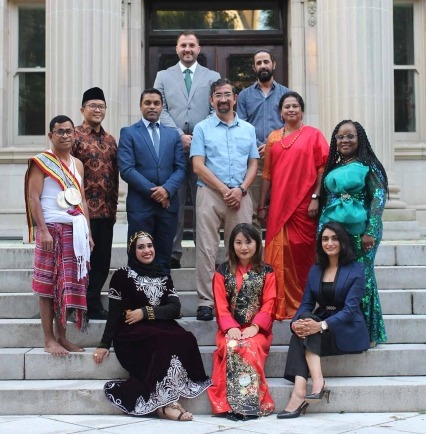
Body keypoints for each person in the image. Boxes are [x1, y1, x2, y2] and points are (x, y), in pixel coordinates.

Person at [93, 231, 211, 420]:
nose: (147, 250)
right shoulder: (122, 276)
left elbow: (174, 308)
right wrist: (104, 344)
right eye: (141, 247)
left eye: (150, 246)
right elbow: (114, 313)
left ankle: (169, 402)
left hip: (161, 324)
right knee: (161, 341)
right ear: (133, 251)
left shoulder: (163, 275)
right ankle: (167, 404)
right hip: (131, 331)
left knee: (185, 338)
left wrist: (145, 312)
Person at [278, 222, 370, 419]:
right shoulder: (315, 270)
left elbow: (350, 310)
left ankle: (304, 391)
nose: (329, 243)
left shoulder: (356, 269)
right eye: (325, 239)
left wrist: (321, 325)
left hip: (347, 328)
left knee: (306, 332)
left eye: (334, 238)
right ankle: (308, 388)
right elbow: (306, 304)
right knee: (303, 325)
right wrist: (296, 323)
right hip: (321, 324)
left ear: (343, 241)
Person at [190, 78, 259, 321]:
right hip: (210, 193)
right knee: (207, 249)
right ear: (212, 100)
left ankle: (239, 298)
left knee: (242, 248)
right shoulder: (201, 128)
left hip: (240, 195)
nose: (223, 99)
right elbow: (198, 166)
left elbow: (253, 163)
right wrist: (223, 189)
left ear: (234, 98)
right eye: (218, 95)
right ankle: (207, 302)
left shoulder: (248, 129)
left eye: (227, 94)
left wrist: (240, 189)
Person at [24, 115, 93, 355]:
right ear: (50, 135)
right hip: (51, 229)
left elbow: (82, 199)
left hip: (75, 230)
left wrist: (89, 233)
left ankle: (62, 337)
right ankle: (48, 339)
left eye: (69, 131)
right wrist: (41, 230)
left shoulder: (78, 164)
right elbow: (34, 198)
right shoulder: (41, 162)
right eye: (60, 131)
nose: (65, 135)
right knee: (47, 285)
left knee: (68, 285)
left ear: (75, 134)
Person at [257, 91, 329, 320]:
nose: (291, 110)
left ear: (302, 110)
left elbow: (322, 168)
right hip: (279, 205)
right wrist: (262, 205)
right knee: (277, 253)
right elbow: (267, 174)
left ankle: (304, 303)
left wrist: (316, 197)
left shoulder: (314, 135)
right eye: (287, 106)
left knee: (302, 253)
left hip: (305, 205)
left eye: (295, 106)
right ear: (280, 112)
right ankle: (277, 304)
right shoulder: (273, 139)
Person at [154, 31, 220, 269]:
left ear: (199, 48)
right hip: (174, 147)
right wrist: (179, 135)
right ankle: (174, 251)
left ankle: (206, 249)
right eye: (183, 45)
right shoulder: (163, 76)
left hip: (204, 150)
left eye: (192, 45)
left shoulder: (213, 76)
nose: (188, 49)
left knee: (204, 201)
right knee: (175, 201)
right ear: (177, 48)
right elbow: (159, 108)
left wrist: (199, 136)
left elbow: (216, 107)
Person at [319, 120, 388, 346]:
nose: (344, 140)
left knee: (363, 278)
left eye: (350, 136)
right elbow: (329, 201)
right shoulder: (334, 167)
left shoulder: (369, 165)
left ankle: (370, 333)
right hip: (337, 233)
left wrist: (370, 231)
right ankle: (345, 331)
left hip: (363, 232)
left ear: (360, 139)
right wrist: (322, 231)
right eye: (340, 137)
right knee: (341, 279)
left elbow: (378, 199)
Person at [208, 223, 276, 420]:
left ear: (257, 244)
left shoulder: (267, 271)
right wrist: (231, 328)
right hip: (229, 330)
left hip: (258, 331)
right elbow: (220, 305)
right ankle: (232, 403)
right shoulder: (222, 271)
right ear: (231, 245)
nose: (243, 247)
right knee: (232, 345)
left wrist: (255, 327)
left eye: (248, 242)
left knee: (248, 346)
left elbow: (270, 302)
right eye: (238, 242)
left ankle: (247, 403)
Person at [118, 88, 186, 273]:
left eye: (156, 103)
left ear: (162, 107)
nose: (152, 107)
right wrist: (156, 193)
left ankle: (163, 299)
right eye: (147, 103)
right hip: (141, 206)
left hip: (167, 206)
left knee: (164, 256)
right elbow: (126, 169)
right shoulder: (129, 133)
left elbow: (181, 168)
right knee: (138, 256)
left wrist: (167, 190)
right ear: (141, 106)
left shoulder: (173, 135)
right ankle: (138, 299)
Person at [72, 87, 119, 320]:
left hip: (106, 211)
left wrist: (115, 209)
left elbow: (116, 175)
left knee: (101, 261)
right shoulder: (74, 136)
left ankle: (93, 303)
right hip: (81, 211)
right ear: (83, 109)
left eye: (101, 106)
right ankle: (75, 304)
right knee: (81, 259)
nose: (98, 110)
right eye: (93, 106)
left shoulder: (111, 140)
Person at [237, 49, 290, 233]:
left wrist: (271, 145)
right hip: (255, 160)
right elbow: (241, 126)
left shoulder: (286, 93)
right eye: (259, 63)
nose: (263, 66)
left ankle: (279, 256)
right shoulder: (244, 95)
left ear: (273, 65)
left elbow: (291, 125)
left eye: (266, 62)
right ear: (254, 68)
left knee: (282, 205)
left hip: (282, 156)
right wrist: (260, 145)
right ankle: (256, 256)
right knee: (253, 209)